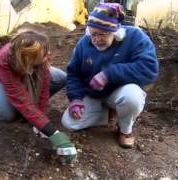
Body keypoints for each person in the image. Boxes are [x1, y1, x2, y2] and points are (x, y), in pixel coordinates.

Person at [61, 3, 159, 148]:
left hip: (120, 92)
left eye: (102, 34)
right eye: (93, 34)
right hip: (94, 94)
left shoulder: (135, 37)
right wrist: (76, 99)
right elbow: (73, 73)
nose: (96, 39)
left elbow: (149, 69)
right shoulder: (84, 43)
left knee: (132, 97)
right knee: (69, 123)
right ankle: (108, 114)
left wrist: (109, 74)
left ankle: (125, 129)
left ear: (116, 31)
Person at [0, 30, 77, 164]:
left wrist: (40, 120)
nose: (48, 55)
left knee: (60, 78)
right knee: (8, 115)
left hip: (29, 66)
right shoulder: (4, 61)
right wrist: (54, 133)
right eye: (45, 54)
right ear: (30, 57)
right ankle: (26, 108)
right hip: (3, 76)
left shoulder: (40, 55)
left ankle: (32, 111)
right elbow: (21, 99)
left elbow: (44, 88)